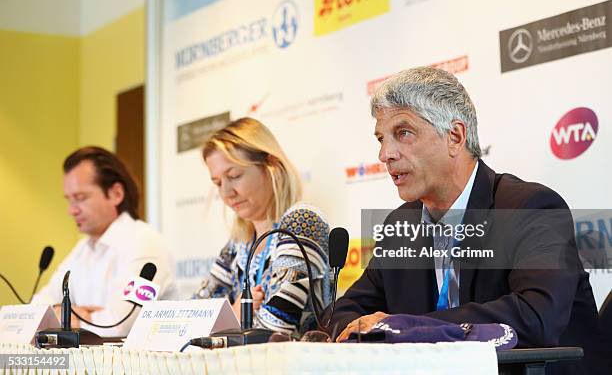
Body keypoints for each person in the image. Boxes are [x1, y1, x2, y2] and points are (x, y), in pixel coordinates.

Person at [330, 67, 607, 374]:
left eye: (403, 133)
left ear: (455, 136)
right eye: (381, 138)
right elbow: (344, 313)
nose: (385, 154)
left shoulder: (530, 208)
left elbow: (536, 317)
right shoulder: (401, 227)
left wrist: (403, 328)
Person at [193, 117, 330, 336]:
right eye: (218, 183)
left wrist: (228, 320)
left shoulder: (302, 222)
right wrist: (233, 314)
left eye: (234, 176)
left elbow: (274, 331)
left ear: (272, 167)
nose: (226, 193)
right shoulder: (237, 245)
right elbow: (190, 322)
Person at [33, 146, 176, 337]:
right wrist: (75, 313)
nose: (71, 210)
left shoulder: (145, 242)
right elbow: (36, 309)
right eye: (69, 200)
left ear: (116, 194)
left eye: (80, 198)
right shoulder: (82, 249)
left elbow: (118, 326)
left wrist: (68, 315)